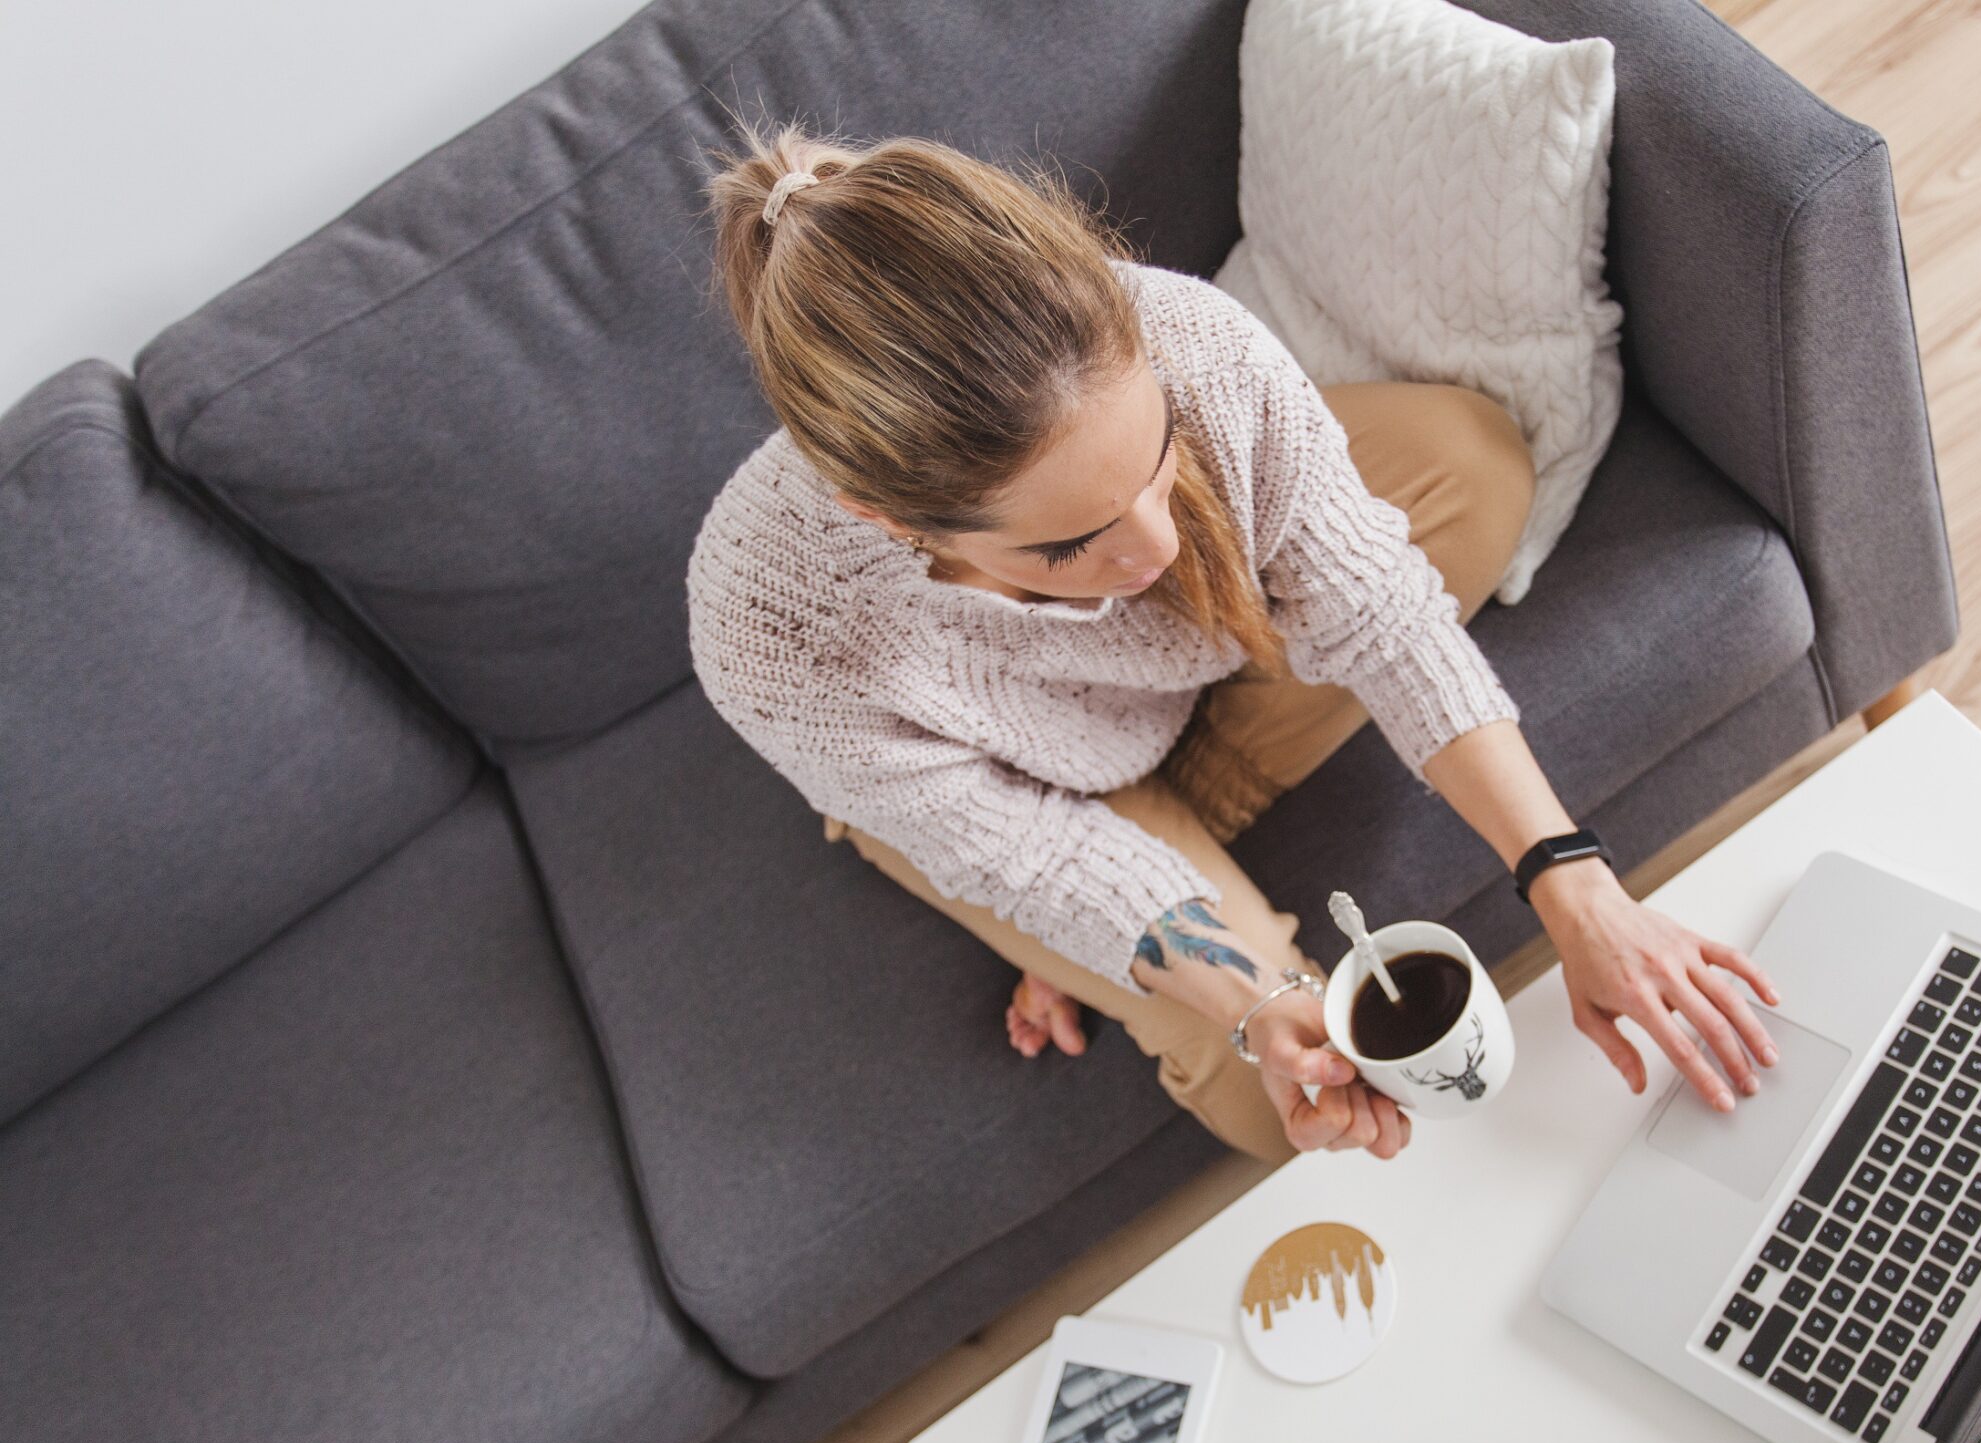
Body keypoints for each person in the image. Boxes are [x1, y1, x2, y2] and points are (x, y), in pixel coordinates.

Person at [689, 124, 1781, 1167]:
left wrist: (1569, 879)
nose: (1156, 546)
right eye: (1073, 542)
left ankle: (1145, 867)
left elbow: (1381, 611)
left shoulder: (1191, 340)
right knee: (1282, 1102)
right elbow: (1030, 852)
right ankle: (1126, 881)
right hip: (1021, 786)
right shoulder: (768, 627)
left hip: (1197, 665)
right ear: (893, 520)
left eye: (1156, 459)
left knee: (1475, 466)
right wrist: (1257, 1003)